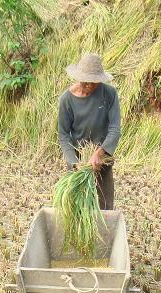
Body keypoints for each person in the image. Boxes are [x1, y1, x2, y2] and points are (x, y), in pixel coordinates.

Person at [57, 53, 121, 210]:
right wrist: (75, 163)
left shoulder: (109, 94)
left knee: (104, 206)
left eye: (93, 82)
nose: (89, 85)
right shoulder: (67, 99)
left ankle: (103, 233)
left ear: (99, 80)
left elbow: (115, 129)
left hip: (101, 158)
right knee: (74, 206)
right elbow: (64, 135)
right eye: (85, 81)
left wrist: (100, 153)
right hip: (78, 158)